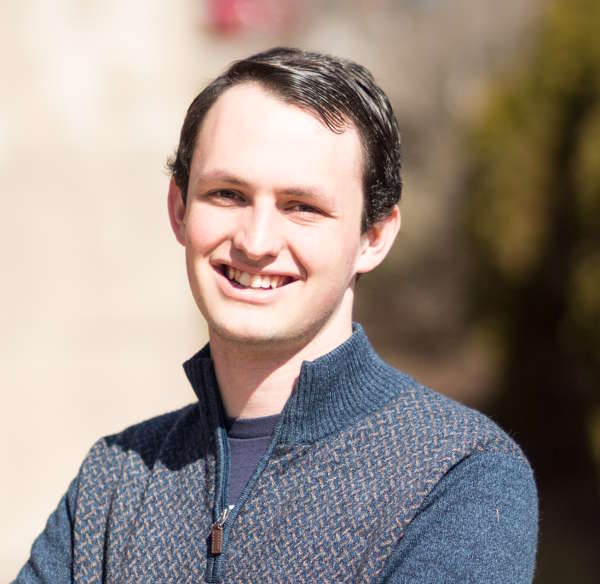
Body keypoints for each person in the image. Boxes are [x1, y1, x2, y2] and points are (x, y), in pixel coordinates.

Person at [15, 47, 538, 583]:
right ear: (179, 209)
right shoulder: (114, 481)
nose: (256, 241)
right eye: (227, 194)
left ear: (374, 237)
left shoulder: (458, 476)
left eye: (302, 206)